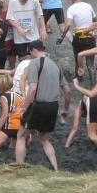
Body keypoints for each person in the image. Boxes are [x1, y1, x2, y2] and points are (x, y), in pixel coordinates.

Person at [16, 41, 70, 169]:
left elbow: (33, 88)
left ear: (34, 50)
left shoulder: (34, 63)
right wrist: (66, 109)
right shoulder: (56, 65)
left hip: (38, 105)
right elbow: (67, 90)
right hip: (53, 106)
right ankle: (56, 169)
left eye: (30, 53)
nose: (30, 56)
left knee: (21, 135)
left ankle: (19, 167)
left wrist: (25, 106)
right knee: (44, 139)